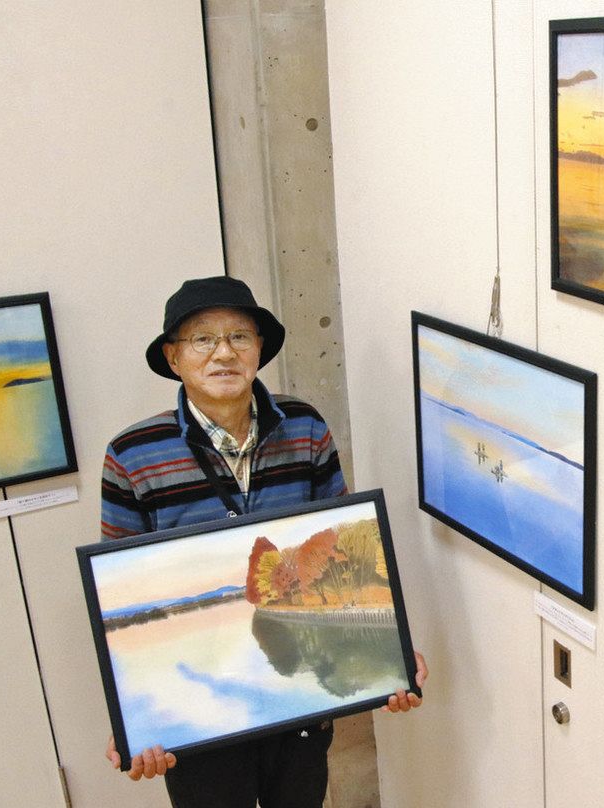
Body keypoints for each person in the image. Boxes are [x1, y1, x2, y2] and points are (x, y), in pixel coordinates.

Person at [100, 275, 426, 807]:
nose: (223, 353)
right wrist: (134, 716)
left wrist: (384, 649)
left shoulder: (305, 427)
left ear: (259, 350)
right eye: (202, 339)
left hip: (295, 687)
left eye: (239, 337)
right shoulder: (132, 454)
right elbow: (121, 599)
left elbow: (344, 555)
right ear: (174, 357)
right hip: (200, 704)